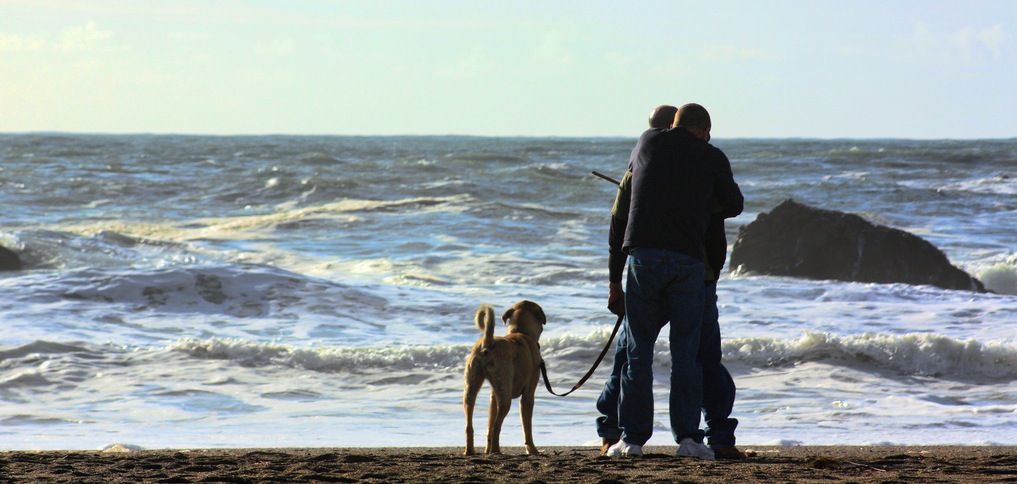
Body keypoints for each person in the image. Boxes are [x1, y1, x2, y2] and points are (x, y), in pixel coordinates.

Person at [597, 104, 743, 459]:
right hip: (693, 270)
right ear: (704, 130)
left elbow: (618, 229)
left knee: (635, 356)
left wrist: (614, 282)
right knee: (691, 356)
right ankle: (693, 438)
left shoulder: (645, 146)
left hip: (644, 262)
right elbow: (734, 204)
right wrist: (704, 201)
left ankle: (627, 438)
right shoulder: (708, 157)